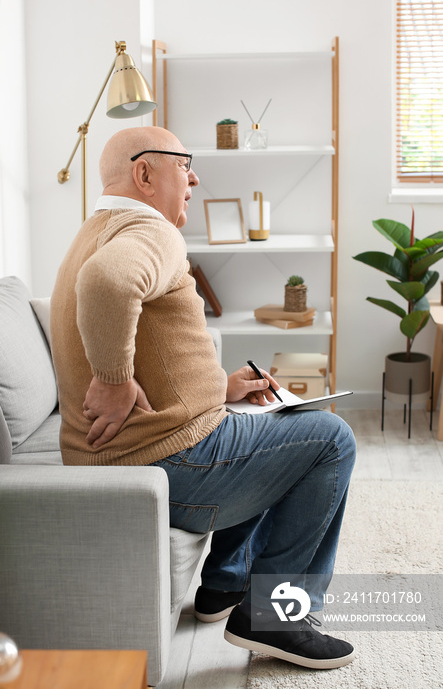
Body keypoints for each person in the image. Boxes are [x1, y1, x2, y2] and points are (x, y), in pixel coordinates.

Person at [50, 126, 357, 671]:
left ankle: (223, 585)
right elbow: (107, 284)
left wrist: (220, 385)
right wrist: (115, 379)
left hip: (142, 455)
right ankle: (274, 617)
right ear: (145, 174)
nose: (194, 177)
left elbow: (141, 328)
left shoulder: (95, 230)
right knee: (331, 438)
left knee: (259, 418)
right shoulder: (150, 231)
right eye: (183, 164)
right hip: (170, 462)